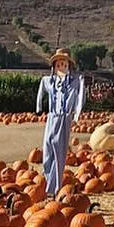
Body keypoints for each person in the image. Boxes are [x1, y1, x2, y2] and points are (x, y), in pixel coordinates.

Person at [36, 48, 85, 199]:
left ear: (68, 66)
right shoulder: (48, 81)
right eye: (58, 65)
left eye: (64, 64)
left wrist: (77, 112)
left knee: (59, 150)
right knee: (48, 147)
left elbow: (81, 95)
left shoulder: (76, 81)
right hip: (52, 116)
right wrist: (38, 106)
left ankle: (55, 187)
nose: (61, 67)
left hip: (64, 117)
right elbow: (41, 90)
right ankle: (48, 180)